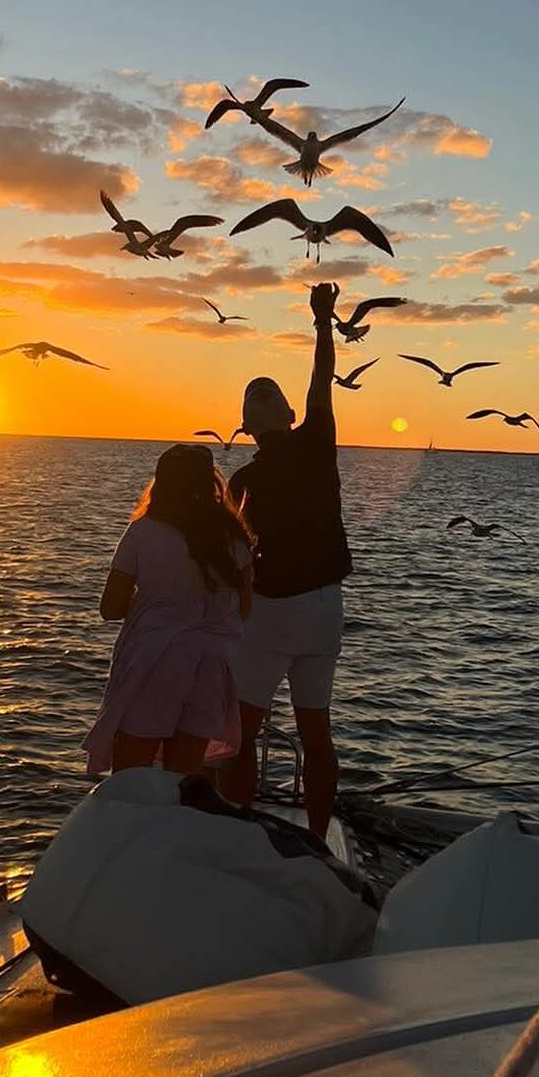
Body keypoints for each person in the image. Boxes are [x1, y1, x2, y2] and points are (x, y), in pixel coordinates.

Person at [217, 281, 350, 838]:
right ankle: (319, 839)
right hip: (325, 607)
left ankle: (240, 829)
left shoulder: (243, 481)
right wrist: (323, 318)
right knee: (316, 733)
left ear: (247, 429)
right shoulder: (318, 437)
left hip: (272, 612)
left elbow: (231, 560)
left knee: (241, 732)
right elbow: (322, 373)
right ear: (291, 413)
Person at [86, 443, 253, 776]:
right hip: (212, 661)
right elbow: (244, 609)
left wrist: (154, 602)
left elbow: (111, 608)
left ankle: (131, 828)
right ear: (211, 483)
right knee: (184, 776)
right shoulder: (235, 537)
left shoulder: (143, 532)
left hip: (156, 659)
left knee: (131, 773)